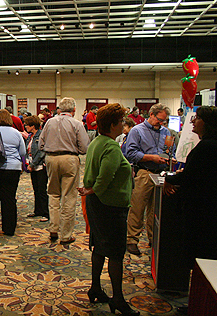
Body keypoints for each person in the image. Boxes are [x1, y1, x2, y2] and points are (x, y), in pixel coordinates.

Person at [79, 103, 139, 316]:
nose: (123, 125)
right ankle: (118, 299)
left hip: (98, 204)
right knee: (115, 253)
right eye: (121, 121)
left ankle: (95, 288)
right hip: (110, 205)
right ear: (113, 125)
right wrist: (94, 190)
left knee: (99, 246)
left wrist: (91, 191)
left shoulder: (97, 142)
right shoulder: (112, 146)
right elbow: (105, 177)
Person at [164, 106, 217, 268]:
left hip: (203, 211)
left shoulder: (207, 146)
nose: (193, 121)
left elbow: (190, 176)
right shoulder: (207, 144)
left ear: (208, 123)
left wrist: (170, 177)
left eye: (198, 118)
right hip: (205, 208)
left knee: (200, 254)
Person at [124, 103, 173, 256]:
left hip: (161, 174)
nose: (161, 123)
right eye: (159, 120)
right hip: (144, 172)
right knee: (137, 207)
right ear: (151, 115)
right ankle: (132, 240)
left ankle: (154, 239)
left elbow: (169, 150)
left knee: (156, 210)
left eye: (164, 121)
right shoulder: (137, 131)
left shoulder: (167, 132)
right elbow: (130, 153)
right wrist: (151, 157)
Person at [39, 97, 89, 244]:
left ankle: (53, 229)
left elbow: (41, 143)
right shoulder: (77, 124)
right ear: (74, 110)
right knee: (69, 196)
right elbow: (85, 147)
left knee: (53, 194)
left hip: (51, 159)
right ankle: (66, 235)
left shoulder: (49, 122)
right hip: (70, 159)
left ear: (59, 109)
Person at [24, 116, 49, 222]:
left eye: (27, 125)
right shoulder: (30, 136)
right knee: (36, 189)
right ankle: (38, 210)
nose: (25, 127)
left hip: (40, 166)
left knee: (42, 190)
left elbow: (41, 152)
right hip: (32, 165)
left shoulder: (41, 135)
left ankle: (46, 213)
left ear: (33, 126)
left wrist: (33, 164)